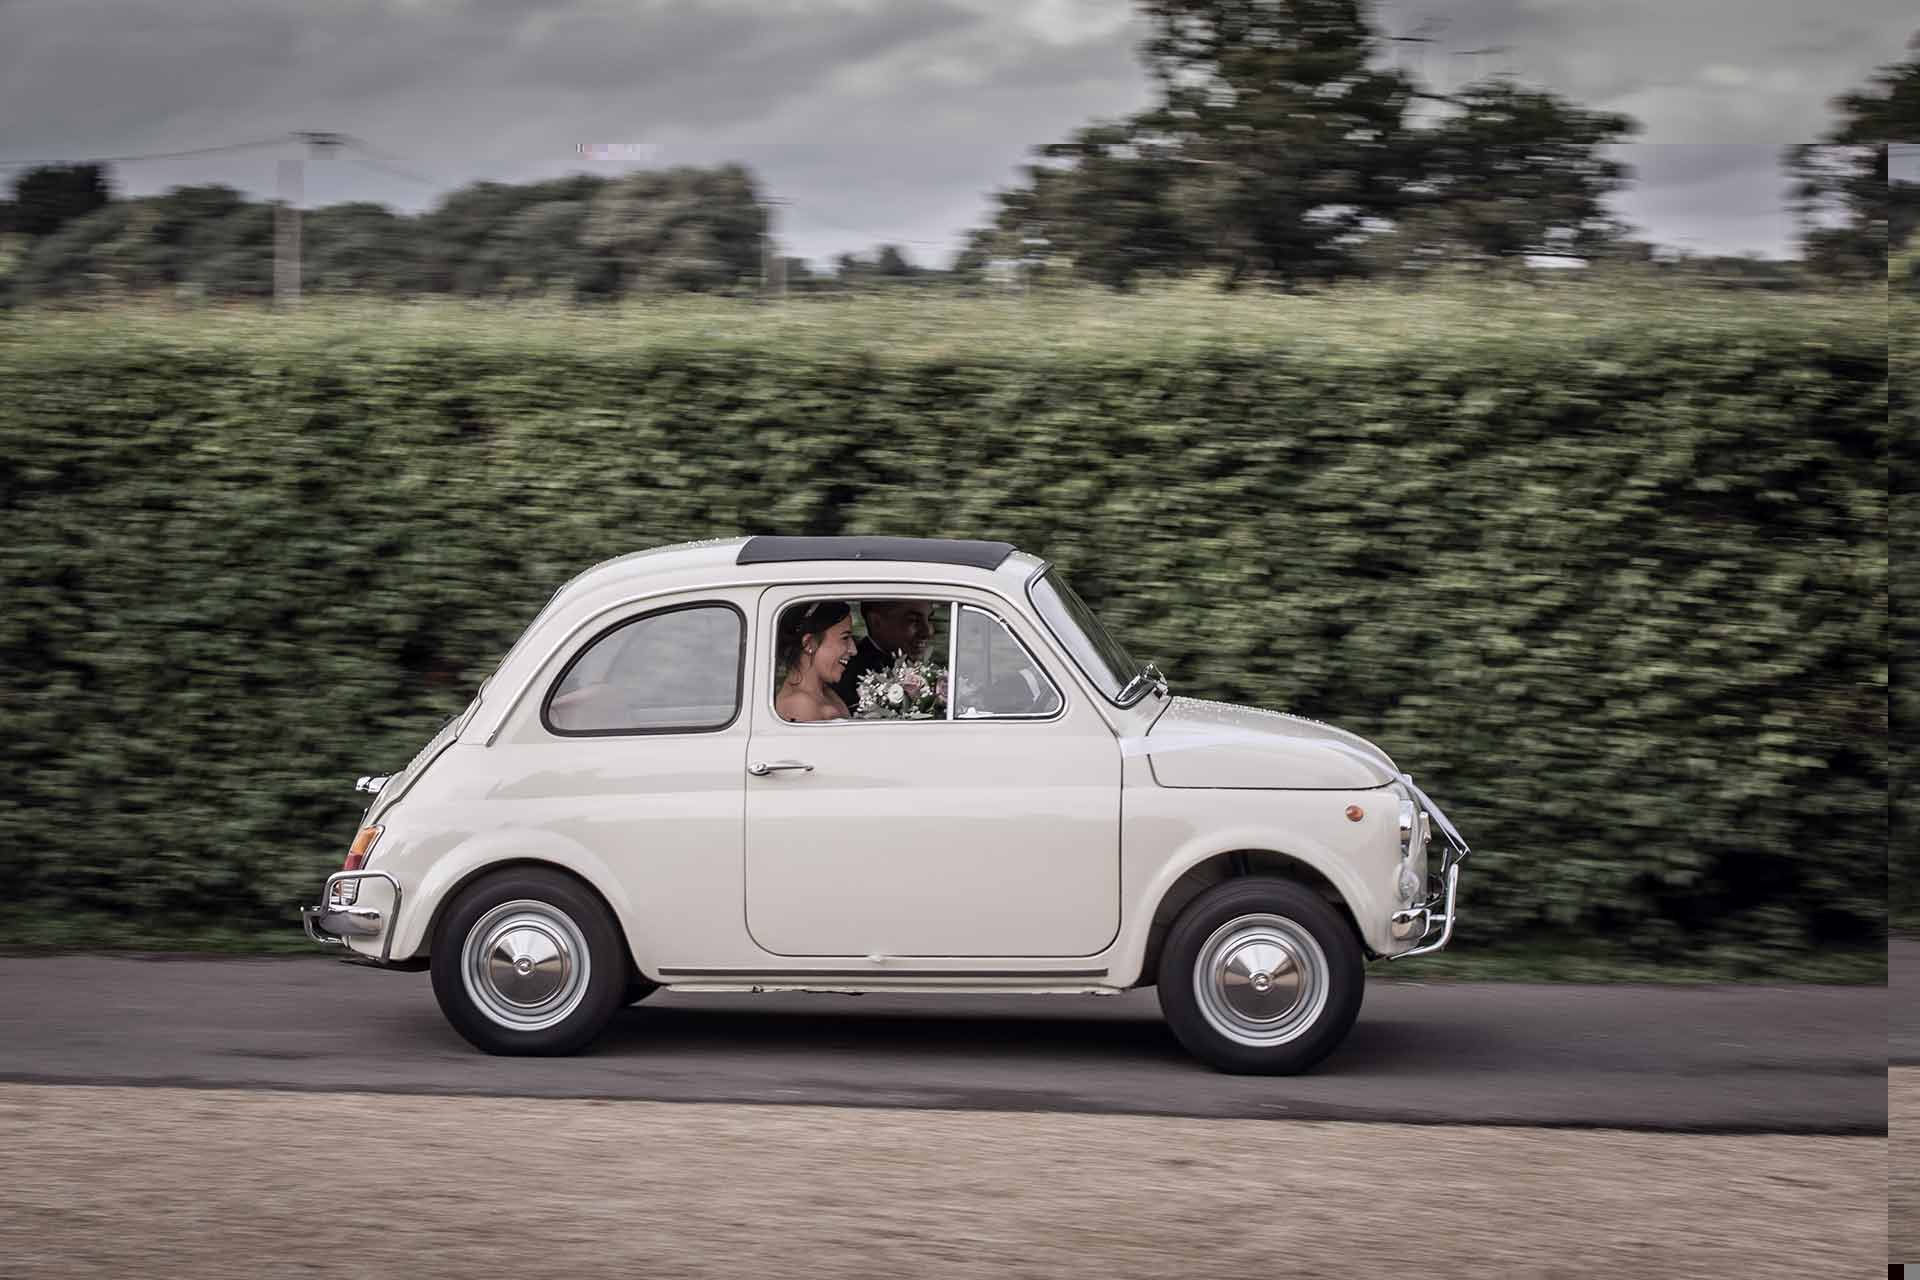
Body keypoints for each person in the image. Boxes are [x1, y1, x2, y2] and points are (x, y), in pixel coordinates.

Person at [834, 599, 937, 711]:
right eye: (913, 620)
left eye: (930, 619)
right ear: (876, 622)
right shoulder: (849, 675)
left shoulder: (925, 668)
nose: (928, 632)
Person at [775, 600, 857, 723]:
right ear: (809, 643)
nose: (854, 650)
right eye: (845, 638)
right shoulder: (798, 705)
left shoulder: (827, 693)